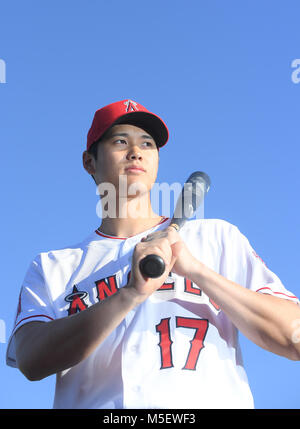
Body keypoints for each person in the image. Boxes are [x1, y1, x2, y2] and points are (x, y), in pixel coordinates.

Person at [6, 99, 300, 409]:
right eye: (120, 141)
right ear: (89, 162)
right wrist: (129, 294)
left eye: (147, 143)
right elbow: (31, 359)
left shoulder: (215, 237)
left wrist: (197, 271)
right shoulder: (54, 266)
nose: (136, 151)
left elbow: (293, 334)